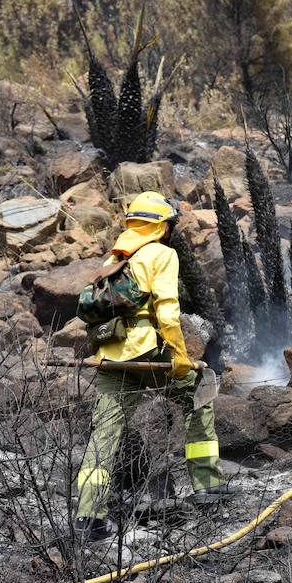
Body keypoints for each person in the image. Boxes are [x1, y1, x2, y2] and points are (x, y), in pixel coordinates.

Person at [73, 191, 235, 542]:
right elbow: (166, 310)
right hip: (147, 350)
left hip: (110, 356)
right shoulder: (161, 254)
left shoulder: (113, 259)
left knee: (103, 436)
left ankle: (89, 518)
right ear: (162, 226)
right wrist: (178, 356)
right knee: (199, 392)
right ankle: (207, 484)